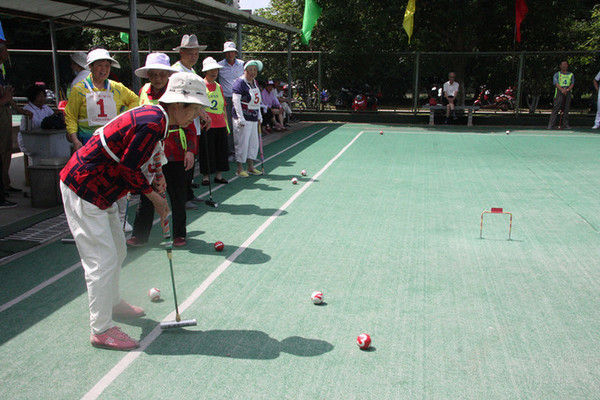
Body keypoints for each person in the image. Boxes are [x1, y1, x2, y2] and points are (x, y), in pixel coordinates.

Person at [60, 72, 209, 351]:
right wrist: (155, 198)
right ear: (178, 105)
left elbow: (144, 156)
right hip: (85, 188)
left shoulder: (159, 119)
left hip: (104, 192)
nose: (198, 115)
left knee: (118, 250)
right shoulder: (153, 122)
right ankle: (101, 328)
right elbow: (127, 168)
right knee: (101, 261)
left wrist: (156, 176)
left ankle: (112, 302)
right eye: (195, 108)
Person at [64, 48, 139, 231]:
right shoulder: (79, 89)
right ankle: (93, 219)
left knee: (117, 179)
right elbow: (70, 115)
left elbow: (135, 100)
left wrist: (124, 120)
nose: (103, 70)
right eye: (100, 66)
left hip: (114, 143)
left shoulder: (116, 87)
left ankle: (121, 218)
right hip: (88, 143)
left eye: (107, 66)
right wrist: (75, 140)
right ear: (91, 67)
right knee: (91, 181)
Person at [127, 52, 193, 248]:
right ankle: (140, 235)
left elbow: (190, 124)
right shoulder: (143, 92)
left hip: (174, 152)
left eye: (162, 74)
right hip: (149, 153)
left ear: (168, 75)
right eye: (153, 74)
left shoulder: (178, 94)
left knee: (177, 194)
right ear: (148, 75)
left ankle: (179, 233)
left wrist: (190, 150)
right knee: (147, 194)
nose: (157, 79)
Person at [171, 34, 211, 210]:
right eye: (190, 53)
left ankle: (189, 193)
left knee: (191, 158)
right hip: (180, 124)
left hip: (192, 123)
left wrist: (203, 113)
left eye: (196, 53)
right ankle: (182, 197)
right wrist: (200, 113)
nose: (194, 56)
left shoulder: (192, 71)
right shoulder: (176, 71)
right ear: (181, 52)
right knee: (182, 160)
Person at [0, 41, 32, 194]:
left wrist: (19, 109)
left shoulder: (1, 71)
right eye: (5, 50)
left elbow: (7, 95)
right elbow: (5, 96)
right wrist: (4, 99)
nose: (8, 53)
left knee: (6, 150)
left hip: (5, 111)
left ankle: (5, 184)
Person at [199, 57, 230, 186]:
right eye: (211, 70)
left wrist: (227, 125)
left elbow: (223, 107)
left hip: (220, 123)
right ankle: (206, 176)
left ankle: (219, 175)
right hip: (207, 124)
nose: (214, 72)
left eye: (216, 69)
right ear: (205, 71)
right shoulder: (201, 85)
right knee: (207, 150)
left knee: (221, 150)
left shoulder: (218, 86)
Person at [232, 60, 263, 177]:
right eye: (250, 70)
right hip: (243, 118)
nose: (253, 72)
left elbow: (257, 101)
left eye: (255, 70)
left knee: (253, 143)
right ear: (245, 70)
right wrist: (240, 117)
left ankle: (251, 167)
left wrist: (259, 115)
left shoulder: (254, 82)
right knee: (242, 143)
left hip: (253, 117)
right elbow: (236, 100)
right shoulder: (239, 82)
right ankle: (240, 168)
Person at [18, 84, 59, 164]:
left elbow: (52, 116)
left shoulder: (45, 107)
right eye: (40, 96)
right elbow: (37, 124)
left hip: (43, 138)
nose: (42, 98)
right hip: (29, 140)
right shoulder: (28, 110)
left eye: (43, 96)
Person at [218, 41, 245, 159]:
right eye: (227, 53)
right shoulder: (219, 65)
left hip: (240, 97)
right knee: (228, 124)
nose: (229, 55)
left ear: (235, 53)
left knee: (241, 123)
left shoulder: (242, 64)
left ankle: (242, 150)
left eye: (231, 52)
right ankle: (231, 151)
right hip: (226, 98)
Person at [548, 60, 574, 130]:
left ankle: (565, 124)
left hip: (567, 92)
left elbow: (572, 83)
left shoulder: (571, 74)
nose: (564, 66)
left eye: (565, 64)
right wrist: (562, 90)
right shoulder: (557, 74)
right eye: (563, 64)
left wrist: (567, 90)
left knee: (566, 108)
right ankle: (551, 125)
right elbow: (556, 83)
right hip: (559, 92)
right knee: (556, 108)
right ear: (560, 66)